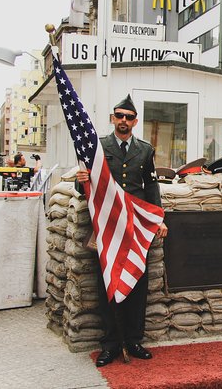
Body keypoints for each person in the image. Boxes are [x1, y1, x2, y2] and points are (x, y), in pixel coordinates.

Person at [76, 94, 168, 367]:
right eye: (119, 116)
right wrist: (80, 181)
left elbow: (151, 187)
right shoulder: (97, 147)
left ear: (135, 121)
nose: (123, 121)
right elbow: (85, 187)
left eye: (128, 117)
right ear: (112, 119)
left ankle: (134, 339)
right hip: (107, 227)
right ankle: (111, 344)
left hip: (136, 226)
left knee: (137, 284)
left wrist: (159, 218)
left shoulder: (145, 150)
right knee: (108, 285)